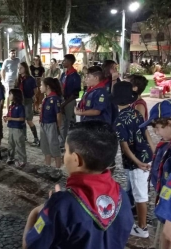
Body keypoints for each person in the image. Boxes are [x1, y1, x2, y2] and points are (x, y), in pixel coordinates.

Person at [22, 121, 133, 249]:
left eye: (66, 150)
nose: (64, 156)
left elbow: (29, 245)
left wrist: (37, 211)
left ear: (76, 159)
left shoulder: (60, 206)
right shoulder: (122, 197)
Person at [110, 81, 153, 238]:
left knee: (141, 196)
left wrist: (138, 163)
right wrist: (153, 152)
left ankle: (142, 228)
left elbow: (125, 147)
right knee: (136, 191)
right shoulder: (137, 113)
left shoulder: (120, 120)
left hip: (136, 162)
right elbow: (147, 134)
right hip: (145, 156)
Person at [139, 100, 171, 248]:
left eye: (158, 128)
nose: (157, 132)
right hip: (163, 200)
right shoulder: (166, 143)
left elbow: (168, 234)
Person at [38, 77, 63, 180]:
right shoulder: (46, 98)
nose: (40, 87)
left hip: (51, 125)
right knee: (45, 146)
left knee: (54, 146)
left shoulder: (55, 99)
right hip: (43, 124)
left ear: (47, 87)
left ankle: (58, 169)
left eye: (41, 85)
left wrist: (57, 127)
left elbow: (58, 115)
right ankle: (47, 166)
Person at [15, 62, 39, 146]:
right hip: (20, 101)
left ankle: (36, 138)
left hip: (28, 100)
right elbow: (15, 89)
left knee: (29, 120)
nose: (19, 69)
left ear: (25, 68)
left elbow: (35, 89)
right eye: (18, 68)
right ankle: (24, 136)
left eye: (21, 68)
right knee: (22, 119)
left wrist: (34, 96)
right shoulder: (18, 79)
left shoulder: (30, 79)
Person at [60, 54, 81, 148]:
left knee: (70, 122)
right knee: (63, 122)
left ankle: (71, 142)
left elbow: (76, 93)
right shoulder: (64, 74)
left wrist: (65, 103)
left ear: (69, 62)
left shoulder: (75, 76)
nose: (63, 62)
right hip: (63, 100)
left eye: (64, 60)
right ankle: (63, 141)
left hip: (70, 100)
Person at [4, 88, 26, 168]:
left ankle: (22, 160)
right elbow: (9, 115)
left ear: (15, 96)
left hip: (18, 128)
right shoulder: (11, 106)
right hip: (11, 127)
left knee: (19, 143)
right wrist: (6, 117)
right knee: (10, 143)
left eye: (10, 94)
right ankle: (10, 157)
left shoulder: (20, 107)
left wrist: (11, 119)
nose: (9, 96)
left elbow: (22, 118)